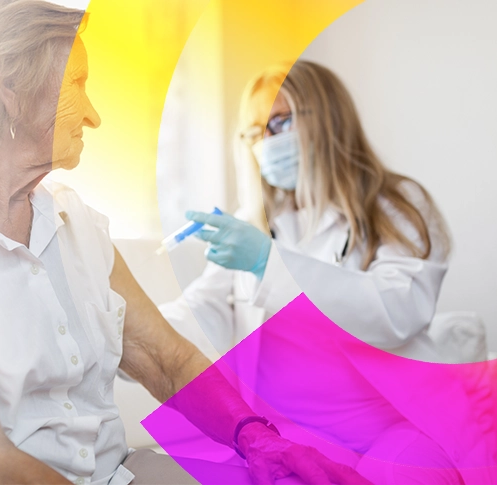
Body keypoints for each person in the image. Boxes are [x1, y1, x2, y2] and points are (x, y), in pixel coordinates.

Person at [0, 3, 370, 485]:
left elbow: (168, 361)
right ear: (10, 87)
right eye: (78, 85)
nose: (95, 115)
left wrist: (258, 440)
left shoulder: (77, 223)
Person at [160, 61, 480, 483]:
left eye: (281, 122)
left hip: (395, 430)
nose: (268, 143)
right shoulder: (257, 223)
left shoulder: (394, 206)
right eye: (257, 132)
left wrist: (268, 262)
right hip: (296, 435)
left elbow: (394, 313)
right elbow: (201, 313)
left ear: (328, 118)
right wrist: (124, 320)